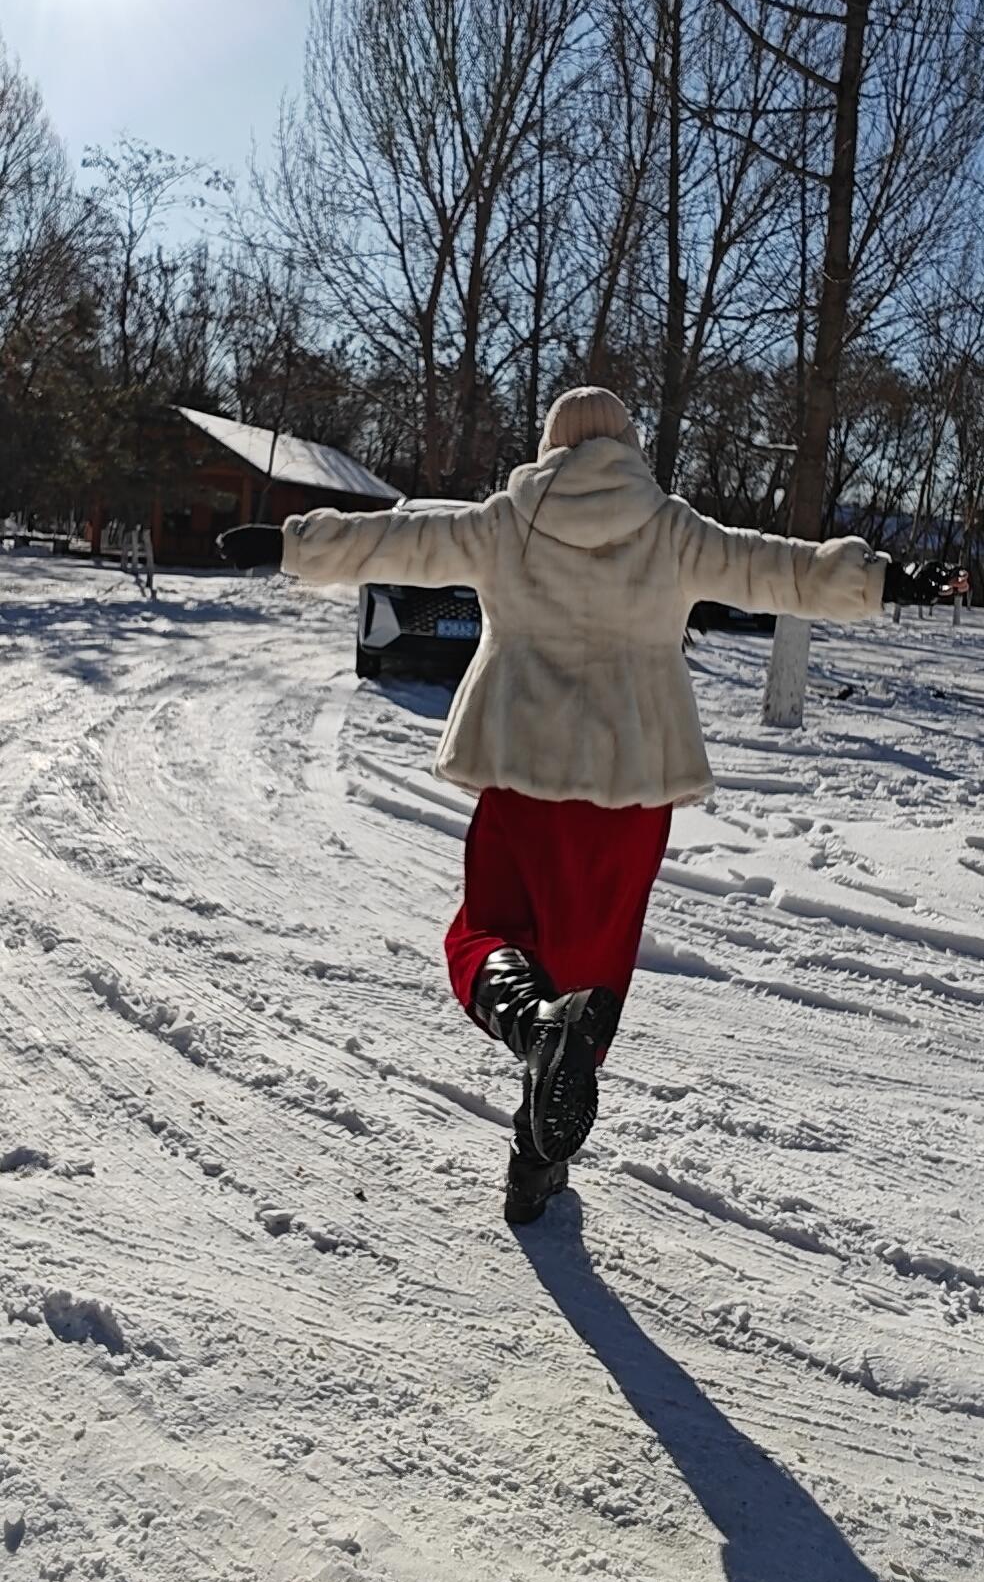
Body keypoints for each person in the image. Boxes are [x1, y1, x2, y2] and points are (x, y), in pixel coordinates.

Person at [219, 387, 967, 1225]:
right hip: (632, 789)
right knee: (592, 973)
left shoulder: (510, 519)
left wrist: (290, 543)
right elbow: (779, 568)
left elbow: (403, 539)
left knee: (487, 931)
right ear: (628, 447)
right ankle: (538, 1157)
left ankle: (529, 1031)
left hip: (521, 773)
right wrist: (885, 575)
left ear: (551, 445)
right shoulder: (673, 530)